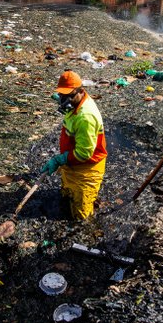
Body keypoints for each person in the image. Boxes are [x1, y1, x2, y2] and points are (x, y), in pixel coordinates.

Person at [40, 70, 107, 220]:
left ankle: (83, 231)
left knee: (81, 213)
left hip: (87, 168)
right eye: (62, 95)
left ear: (81, 91)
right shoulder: (76, 103)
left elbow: (84, 154)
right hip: (72, 162)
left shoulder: (85, 117)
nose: (65, 99)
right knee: (67, 193)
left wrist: (59, 160)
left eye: (69, 95)